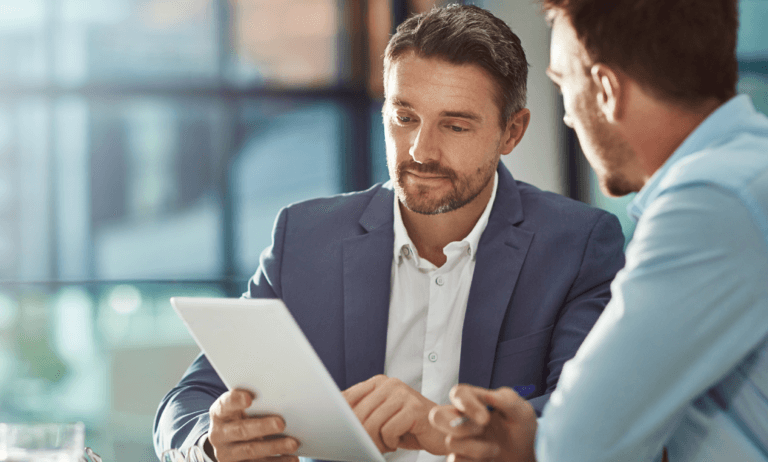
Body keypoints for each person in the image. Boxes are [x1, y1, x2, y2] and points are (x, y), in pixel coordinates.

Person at [154, 5, 626, 462]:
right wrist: (213, 443)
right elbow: (188, 403)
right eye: (404, 118)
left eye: (455, 125)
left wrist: (443, 426)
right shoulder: (305, 238)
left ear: (511, 132)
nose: (421, 150)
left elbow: (589, 420)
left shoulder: (579, 245)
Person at [430, 1, 768, 461]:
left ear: (607, 89)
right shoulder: (748, 171)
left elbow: (580, 446)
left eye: (563, 84)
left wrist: (529, 441)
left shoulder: (710, 199)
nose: (568, 116)